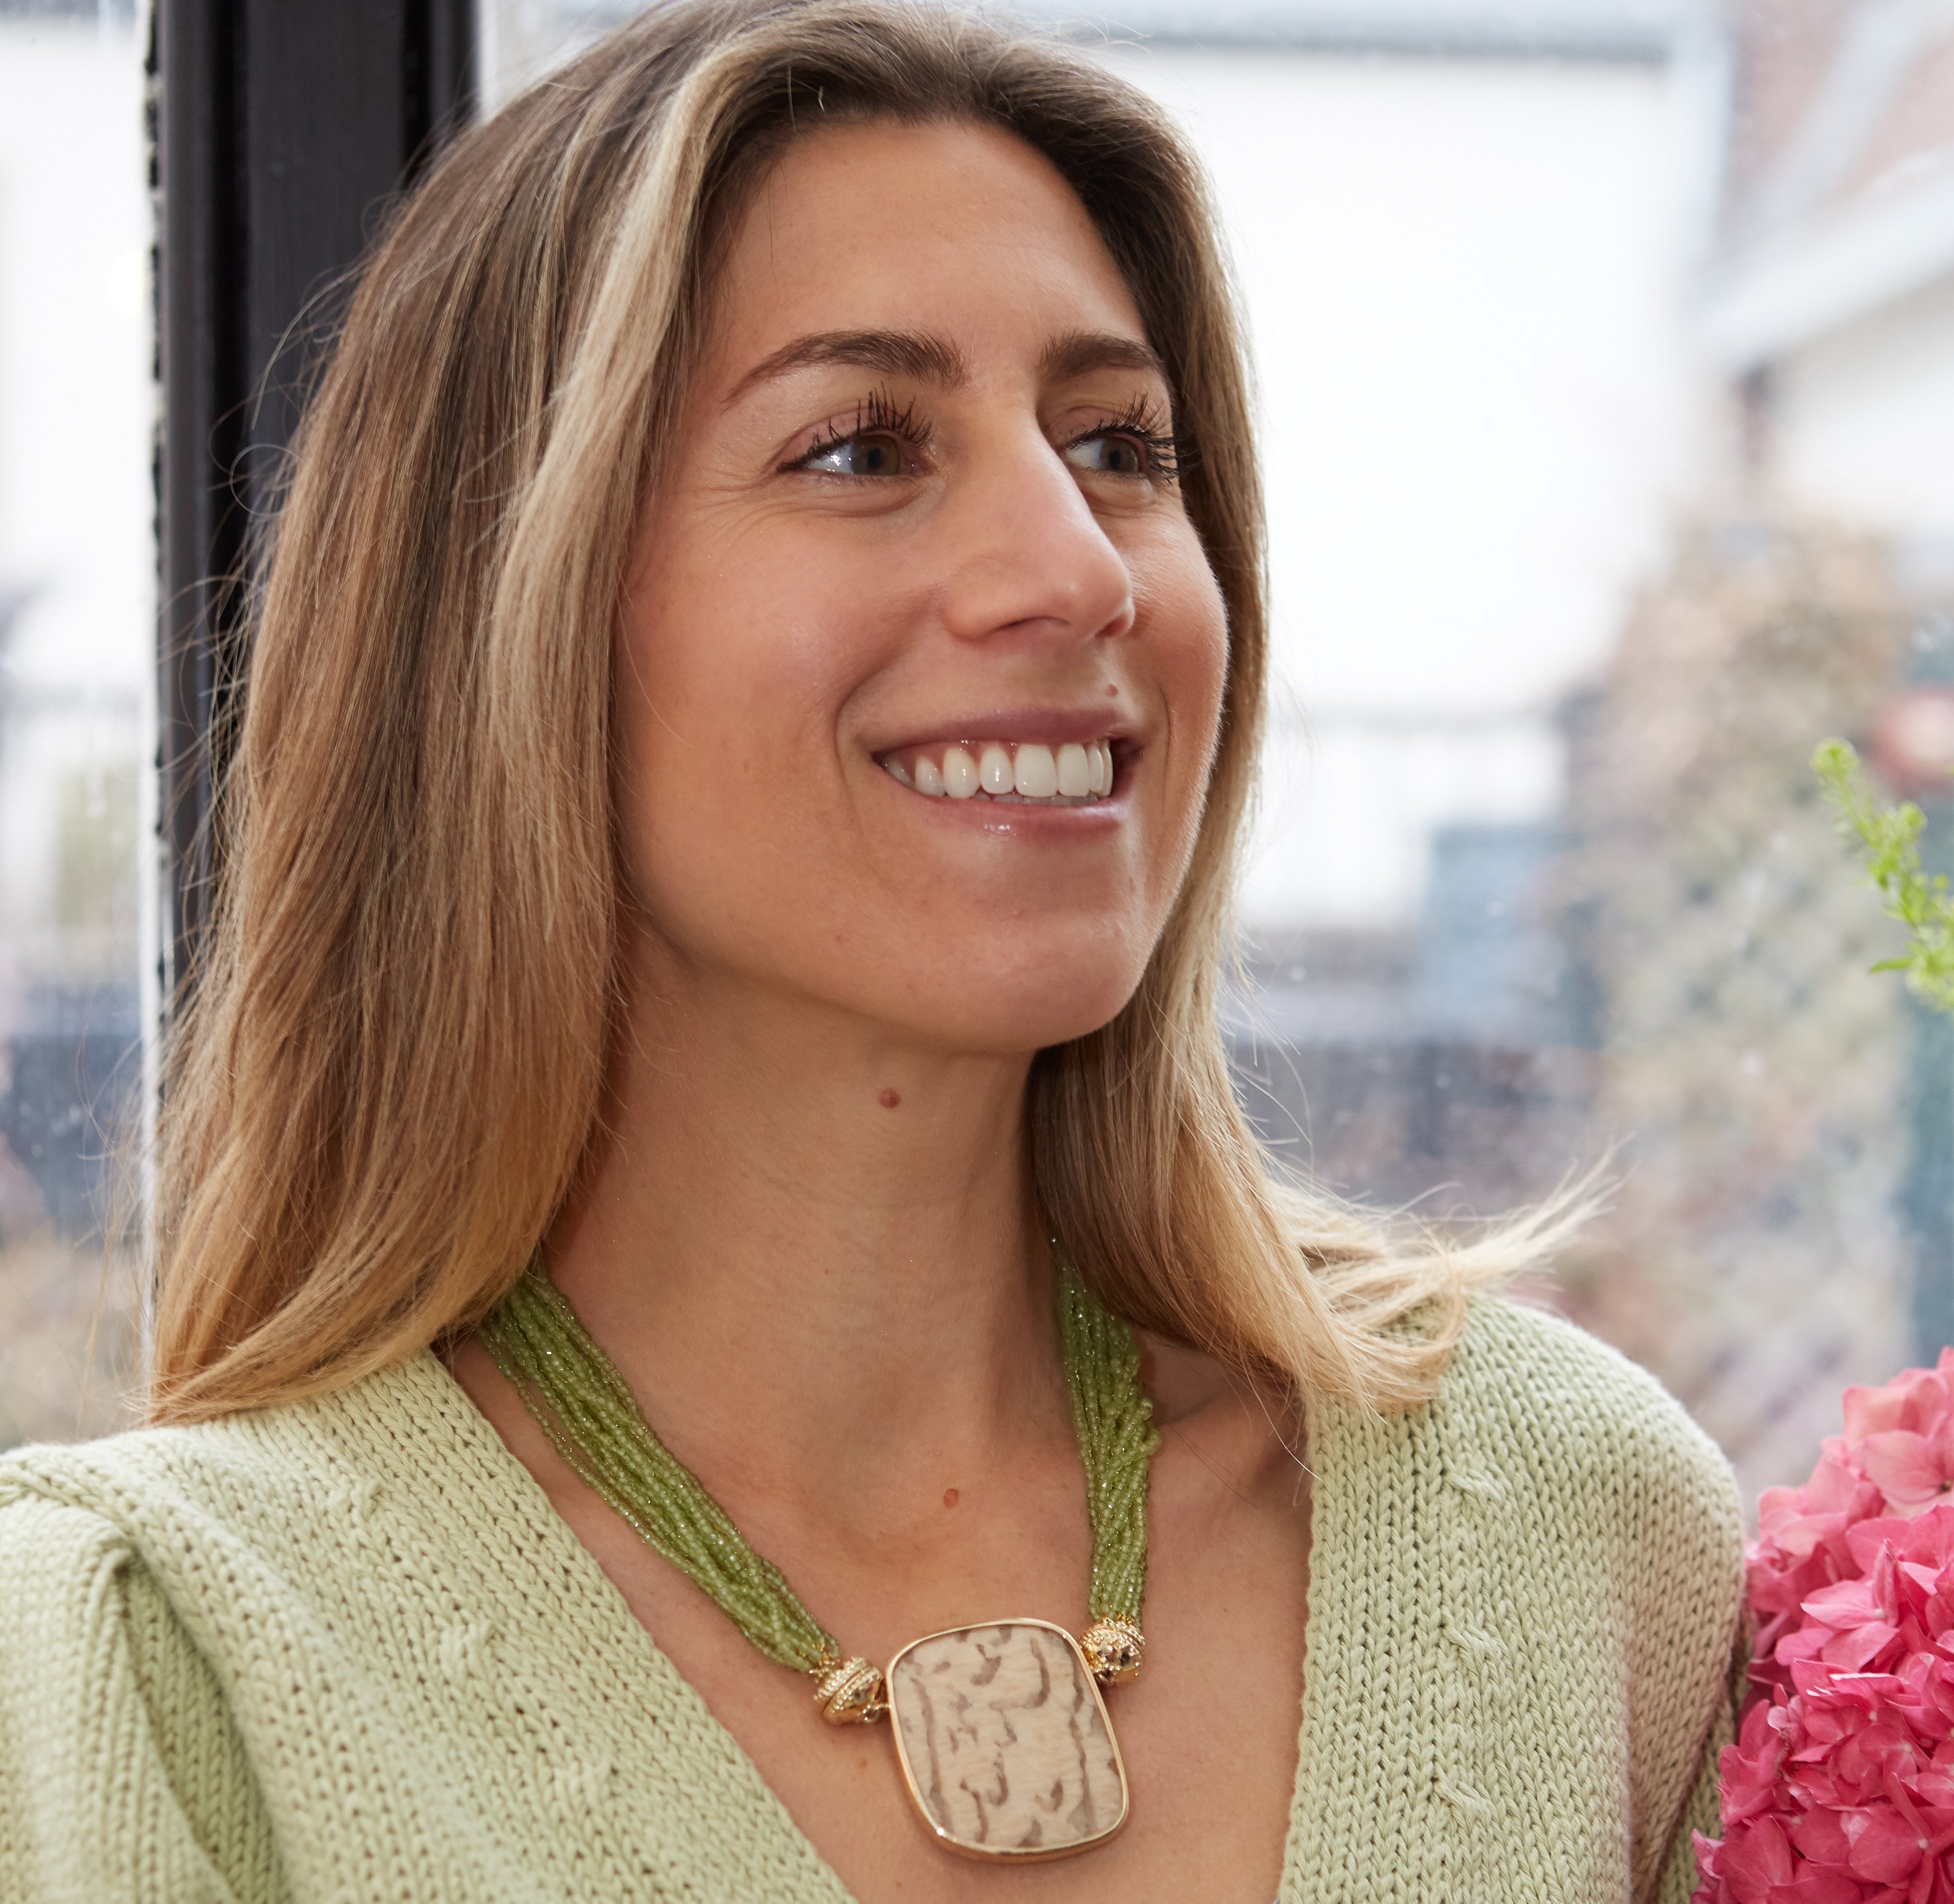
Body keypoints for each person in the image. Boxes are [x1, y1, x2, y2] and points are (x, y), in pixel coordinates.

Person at [0, 2, 1743, 1898]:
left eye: (1119, 444)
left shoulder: (1580, 1535)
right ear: (505, 615)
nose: (1079, 566)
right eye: (858, 448)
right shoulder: (152, 1664)